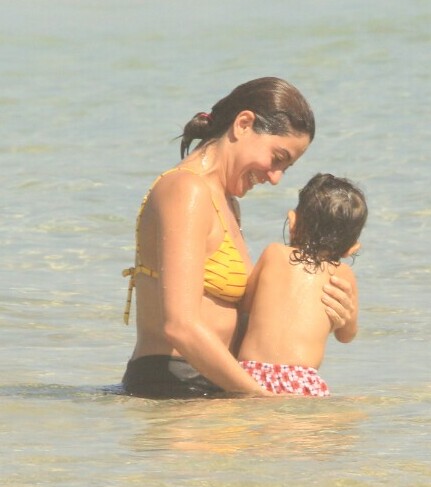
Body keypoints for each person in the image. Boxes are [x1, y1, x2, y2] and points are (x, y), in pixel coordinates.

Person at [120, 77, 356, 398]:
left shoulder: (227, 201)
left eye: (286, 168)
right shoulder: (185, 190)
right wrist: (260, 397)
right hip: (175, 386)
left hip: (217, 384)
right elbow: (181, 326)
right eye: (278, 158)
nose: (275, 178)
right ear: (243, 124)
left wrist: (331, 313)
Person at [237, 172, 368, 397]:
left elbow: (246, 305)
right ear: (351, 249)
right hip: (302, 381)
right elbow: (346, 335)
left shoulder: (273, 253)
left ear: (293, 222)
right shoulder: (344, 275)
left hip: (250, 374)